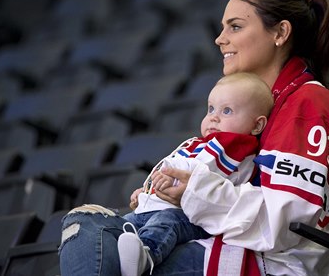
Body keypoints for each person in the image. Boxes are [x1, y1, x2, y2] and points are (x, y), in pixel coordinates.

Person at [59, 0, 329, 276]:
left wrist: (193, 192)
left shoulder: (306, 103)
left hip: (271, 263)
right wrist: (160, 195)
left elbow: (283, 225)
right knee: (84, 224)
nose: (219, 38)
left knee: (128, 265)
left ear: (280, 33)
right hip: (222, 238)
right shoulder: (254, 105)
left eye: (235, 27)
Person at [117, 72, 274, 276]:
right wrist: (148, 192)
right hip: (160, 206)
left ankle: (147, 255)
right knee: (124, 222)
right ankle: (121, 251)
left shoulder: (235, 145)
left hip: (191, 216)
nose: (213, 117)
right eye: (210, 109)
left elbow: (199, 173)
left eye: (227, 111)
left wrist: (165, 182)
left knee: (166, 222)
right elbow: (171, 170)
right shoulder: (201, 143)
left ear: (257, 125)